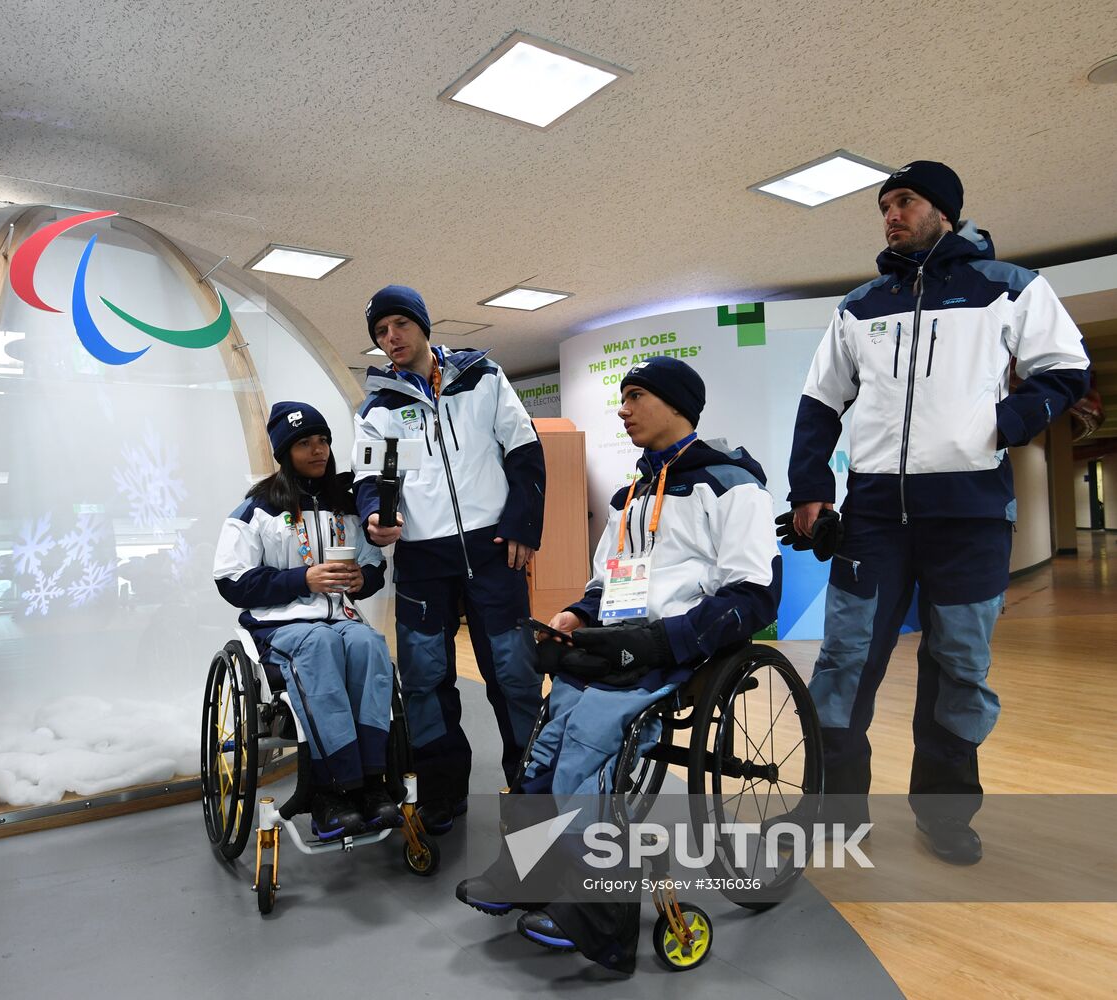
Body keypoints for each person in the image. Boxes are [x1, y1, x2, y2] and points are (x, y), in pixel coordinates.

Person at [784, 160, 1090, 864]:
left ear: (944, 210)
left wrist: (1000, 424)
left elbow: (1066, 370)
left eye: (906, 200)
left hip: (970, 519)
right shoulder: (859, 306)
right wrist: (810, 490)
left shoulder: (1009, 288)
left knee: (959, 667)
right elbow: (819, 402)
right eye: (885, 204)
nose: (892, 213)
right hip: (872, 520)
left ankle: (945, 814)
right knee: (844, 664)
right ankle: (834, 813)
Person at [455, 357, 781, 974]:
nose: (623, 410)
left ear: (677, 404)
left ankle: (598, 912)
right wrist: (578, 615)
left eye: (635, 397)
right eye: (622, 398)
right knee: (546, 739)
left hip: (683, 644)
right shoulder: (631, 495)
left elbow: (754, 592)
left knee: (590, 740)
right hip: (620, 641)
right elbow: (608, 580)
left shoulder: (732, 484)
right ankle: (528, 868)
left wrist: (667, 640)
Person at [355, 285, 545, 834]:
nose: (391, 338)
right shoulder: (379, 408)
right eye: (380, 332)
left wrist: (522, 526)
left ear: (422, 324)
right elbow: (369, 478)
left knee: (515, 674)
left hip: (492, 554)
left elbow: (525, 450)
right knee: (424, 681)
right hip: (422, 562)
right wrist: (373, 516)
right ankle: (441, 794)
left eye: (398, 325)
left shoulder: (485, 378)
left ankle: (532, 787)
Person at [214, 401, 397, 839]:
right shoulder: (257, 508)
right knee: (320, 646)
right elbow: (231, 579)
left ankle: (371, 784)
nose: (318, 450)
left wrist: (360, 578)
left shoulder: (347, 504)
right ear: (284, 451)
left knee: (369, 645)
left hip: (342, 618)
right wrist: (304, 578)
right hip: (283, 625)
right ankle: (329, 792)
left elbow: (374, 567)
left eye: (323, 440)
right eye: (304, 443)